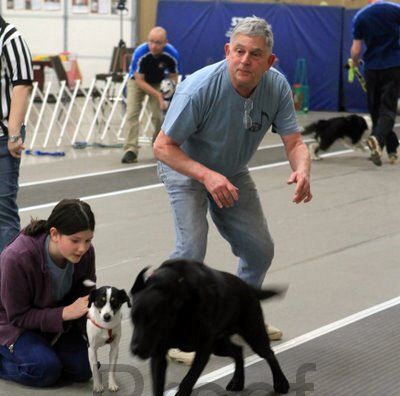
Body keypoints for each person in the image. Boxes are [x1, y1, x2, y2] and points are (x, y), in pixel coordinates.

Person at [153, 16, 312, 363]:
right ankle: (177, 333)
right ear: (228, 51)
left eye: (255, 54)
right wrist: (206, 176)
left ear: (269, 62)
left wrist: (301, 169)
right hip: (185, 168)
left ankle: (240, 319)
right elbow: (163, 147)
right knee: (191, 248)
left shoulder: (277, 87)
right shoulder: (200, 88)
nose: (245, 60)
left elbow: (295, 142)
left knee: (259, 250)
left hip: (231, 171)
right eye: (239, 51)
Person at [0, 199, 96, 387]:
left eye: (88, 240)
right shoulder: (17, 257)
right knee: (45, 370)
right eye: (75, 240)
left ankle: (43, 352)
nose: (83, 248)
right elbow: (17, 316)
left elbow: (85, 296)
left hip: (55, 322)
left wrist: (98, 322)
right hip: (13, 324)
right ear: (55, 234)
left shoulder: (85, 253)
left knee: (84, 369)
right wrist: (62, 314)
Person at [351, 0, 400, 166]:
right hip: (393, 66)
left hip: (372, 69)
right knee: (387, 110)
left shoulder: (360, 16)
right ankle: (379, 140)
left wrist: (354, 63)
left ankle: (391, 149)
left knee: (376, 111)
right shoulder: (394, 10)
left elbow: (356, 49)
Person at [121, 26, 180, 164]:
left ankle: (157, 146)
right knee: (132, 113)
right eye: (151, 41)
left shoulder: (172, 54)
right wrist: (157, 96)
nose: (153, 46)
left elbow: (173, 76)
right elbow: (139, 81)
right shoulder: (140, 52)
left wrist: (166, 93)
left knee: (158, 116)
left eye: (158, 42)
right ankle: (130, 150)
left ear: (165, 42)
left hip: (157, 82)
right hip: (137, 82)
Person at [0, 16, 33, 253]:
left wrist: (13, 133)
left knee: (3, 212)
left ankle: (9, 277)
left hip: (2, 137)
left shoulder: (10, 37)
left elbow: (22, 84)